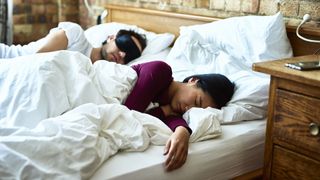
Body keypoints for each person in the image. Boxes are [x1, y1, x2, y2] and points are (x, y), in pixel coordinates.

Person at [124, 61, 235, 172]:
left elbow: (173, 119)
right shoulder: (161, 71)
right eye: (196, 101)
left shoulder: (173, 108)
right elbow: (127, 117)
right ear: (193, 81)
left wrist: (183, 130)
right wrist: (164, 111)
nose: (188, 108)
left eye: (195, 110)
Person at [0, 22, 147, 65]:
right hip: (8, 59)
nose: (122, 54)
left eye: (130, 55)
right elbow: (34, 63)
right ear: (111, 37)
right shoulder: (75, 34)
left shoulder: (96, 75)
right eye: (124, 44)